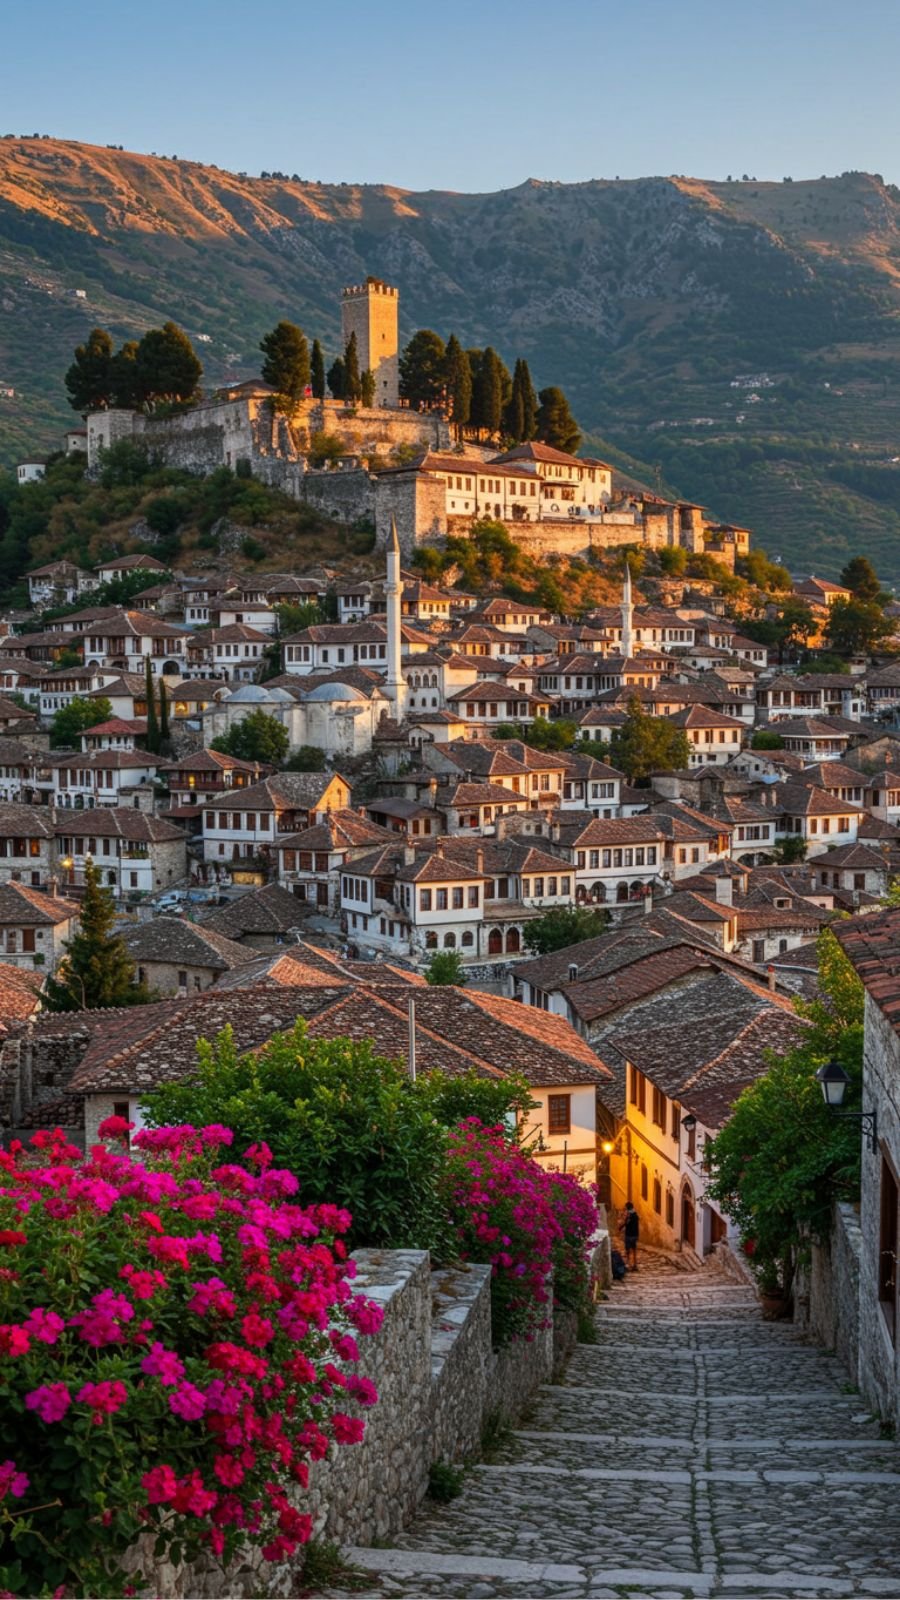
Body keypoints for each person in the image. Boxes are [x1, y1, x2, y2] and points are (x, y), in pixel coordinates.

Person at [622, 1201, 639, 1271]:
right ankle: (635, 1265)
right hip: (635, 1235)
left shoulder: (630, 1215)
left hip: (629, 1235)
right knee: (634, 1250)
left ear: (628, 1207)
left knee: (628, 1250)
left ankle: (628, 1265)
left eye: (626, 1207)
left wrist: (621, 1227)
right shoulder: (636, 1214)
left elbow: (627, 1223)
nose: (625, 1208)